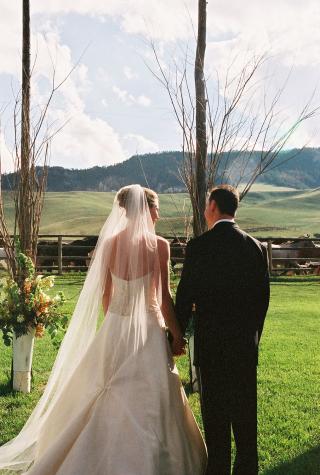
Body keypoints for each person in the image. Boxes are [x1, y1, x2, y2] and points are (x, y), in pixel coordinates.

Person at [0, 185, 207, 475]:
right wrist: (176, 334)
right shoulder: (159, 245)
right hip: (148, 328)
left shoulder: (109, 244)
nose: (158, 215)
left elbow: (107, 295)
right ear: (146, 209)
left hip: (114, 326)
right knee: (151, 395)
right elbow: (162, 298)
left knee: (104, 389)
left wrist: (116, 324)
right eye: (156, 208)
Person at [176, 185, 270, 475]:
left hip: (211, 346)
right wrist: (253, 336)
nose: (205, 211)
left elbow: (185, 297)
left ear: (214, 207)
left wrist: (176, 335)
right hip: (244, 345)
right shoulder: (255, 247)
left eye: (206, 206)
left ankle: (217, 469)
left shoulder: (199, 248)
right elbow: (262, 300)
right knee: (245, 418)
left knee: (215, 418)